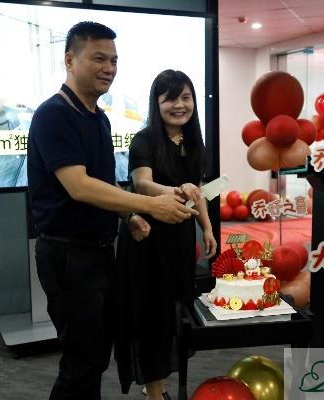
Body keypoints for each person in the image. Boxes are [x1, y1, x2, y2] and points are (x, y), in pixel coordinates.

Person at [27, 22, 197, 400]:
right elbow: (79, 185)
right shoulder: (54, 115)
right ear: (70, 60)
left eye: (114, 61)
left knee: (96, 356)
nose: (109, 68)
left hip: (100, 253)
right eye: (99, 58)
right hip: (67, 255)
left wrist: (127, 216)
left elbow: (104, 184)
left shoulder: (99, 118)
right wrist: (148, 204)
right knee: (82, 362)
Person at [115, 70, 217, 400]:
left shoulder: (194, 142)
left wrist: (206, 227)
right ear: (156, 103)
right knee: (151, 314)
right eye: (170, 99)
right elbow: (142, 184)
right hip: (147, 238)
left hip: (179, 239)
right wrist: (176, 190)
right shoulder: (144, 140)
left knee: (174, 312)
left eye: (186, 97)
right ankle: (155, 392)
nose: (179, 105)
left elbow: (198, 190)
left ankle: (156, 383)